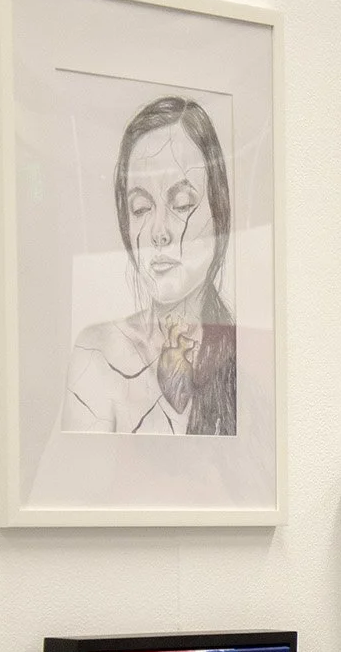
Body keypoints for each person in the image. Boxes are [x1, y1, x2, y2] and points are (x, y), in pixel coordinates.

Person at [65, 95, 237, 436]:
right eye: (141, 209)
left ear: (218, 212)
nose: (159, 232)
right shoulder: (97, 353)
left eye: (182, 204)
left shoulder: (246, 359)